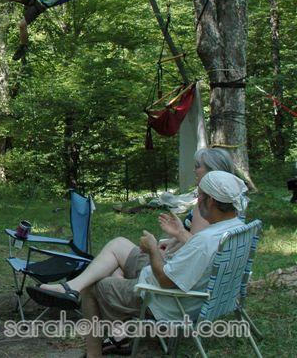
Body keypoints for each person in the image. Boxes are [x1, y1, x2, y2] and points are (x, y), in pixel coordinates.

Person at [28, 170, 247, 358]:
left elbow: (165, 281)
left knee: (93, 287)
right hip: (186, 286)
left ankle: (94, 350)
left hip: (166, 300)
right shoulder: (237, 227)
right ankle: (72, 289)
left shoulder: (205, 242)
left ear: (210, 201)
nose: (198, 202)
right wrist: (177, 236)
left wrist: (153, 248)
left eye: (200, 197)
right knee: (119, 245)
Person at [159, 147, 242, 257]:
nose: (194, 170)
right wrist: (172, 241)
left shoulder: (208, 206)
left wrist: (178, 234)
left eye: (197, 166)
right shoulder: (233, 199)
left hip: (185, 264)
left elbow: (197, 246)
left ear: (212, 170)